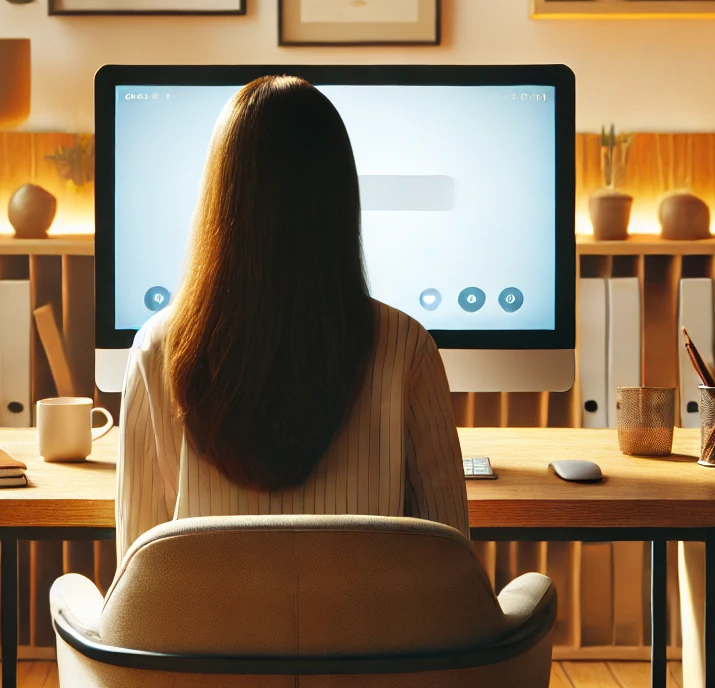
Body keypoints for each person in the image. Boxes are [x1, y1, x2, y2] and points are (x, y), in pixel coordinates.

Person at [115, 75, 468, 560]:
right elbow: (449, 564)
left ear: (221, 198)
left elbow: (135, 572)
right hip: (370, 637)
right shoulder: (405, 346)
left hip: (200, 637)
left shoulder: (155, 348)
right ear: (342, 200)